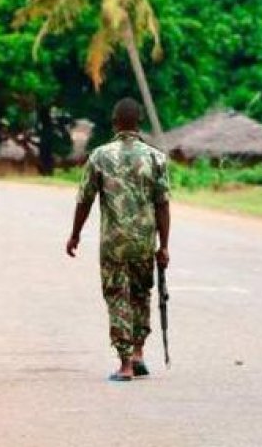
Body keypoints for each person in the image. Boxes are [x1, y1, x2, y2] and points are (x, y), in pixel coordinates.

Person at [66, 98, 171, 382]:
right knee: (140, 294)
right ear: (139, 124)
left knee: (117, 297)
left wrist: (75, 234)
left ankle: (125, 364)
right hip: (143, 241)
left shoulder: (100, 156)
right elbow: (162, 204)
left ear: (114, 123)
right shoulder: (155, 157)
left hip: (113, 242)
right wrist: (164, 246)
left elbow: (84, 200)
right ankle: (138, 353)